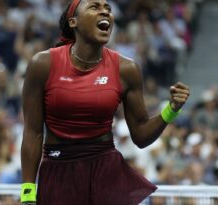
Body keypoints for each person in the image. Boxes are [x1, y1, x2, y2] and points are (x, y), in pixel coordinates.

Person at [20, 0, 190, 204]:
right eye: (95, 7)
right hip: (58, 169)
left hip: (106, 171)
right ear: (73, 22)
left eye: (108, 9)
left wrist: (171, 110)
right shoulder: (42, 65)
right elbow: (33, 132)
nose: (105, 12)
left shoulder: (127, 69)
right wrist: (28, 193)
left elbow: (141, 135)